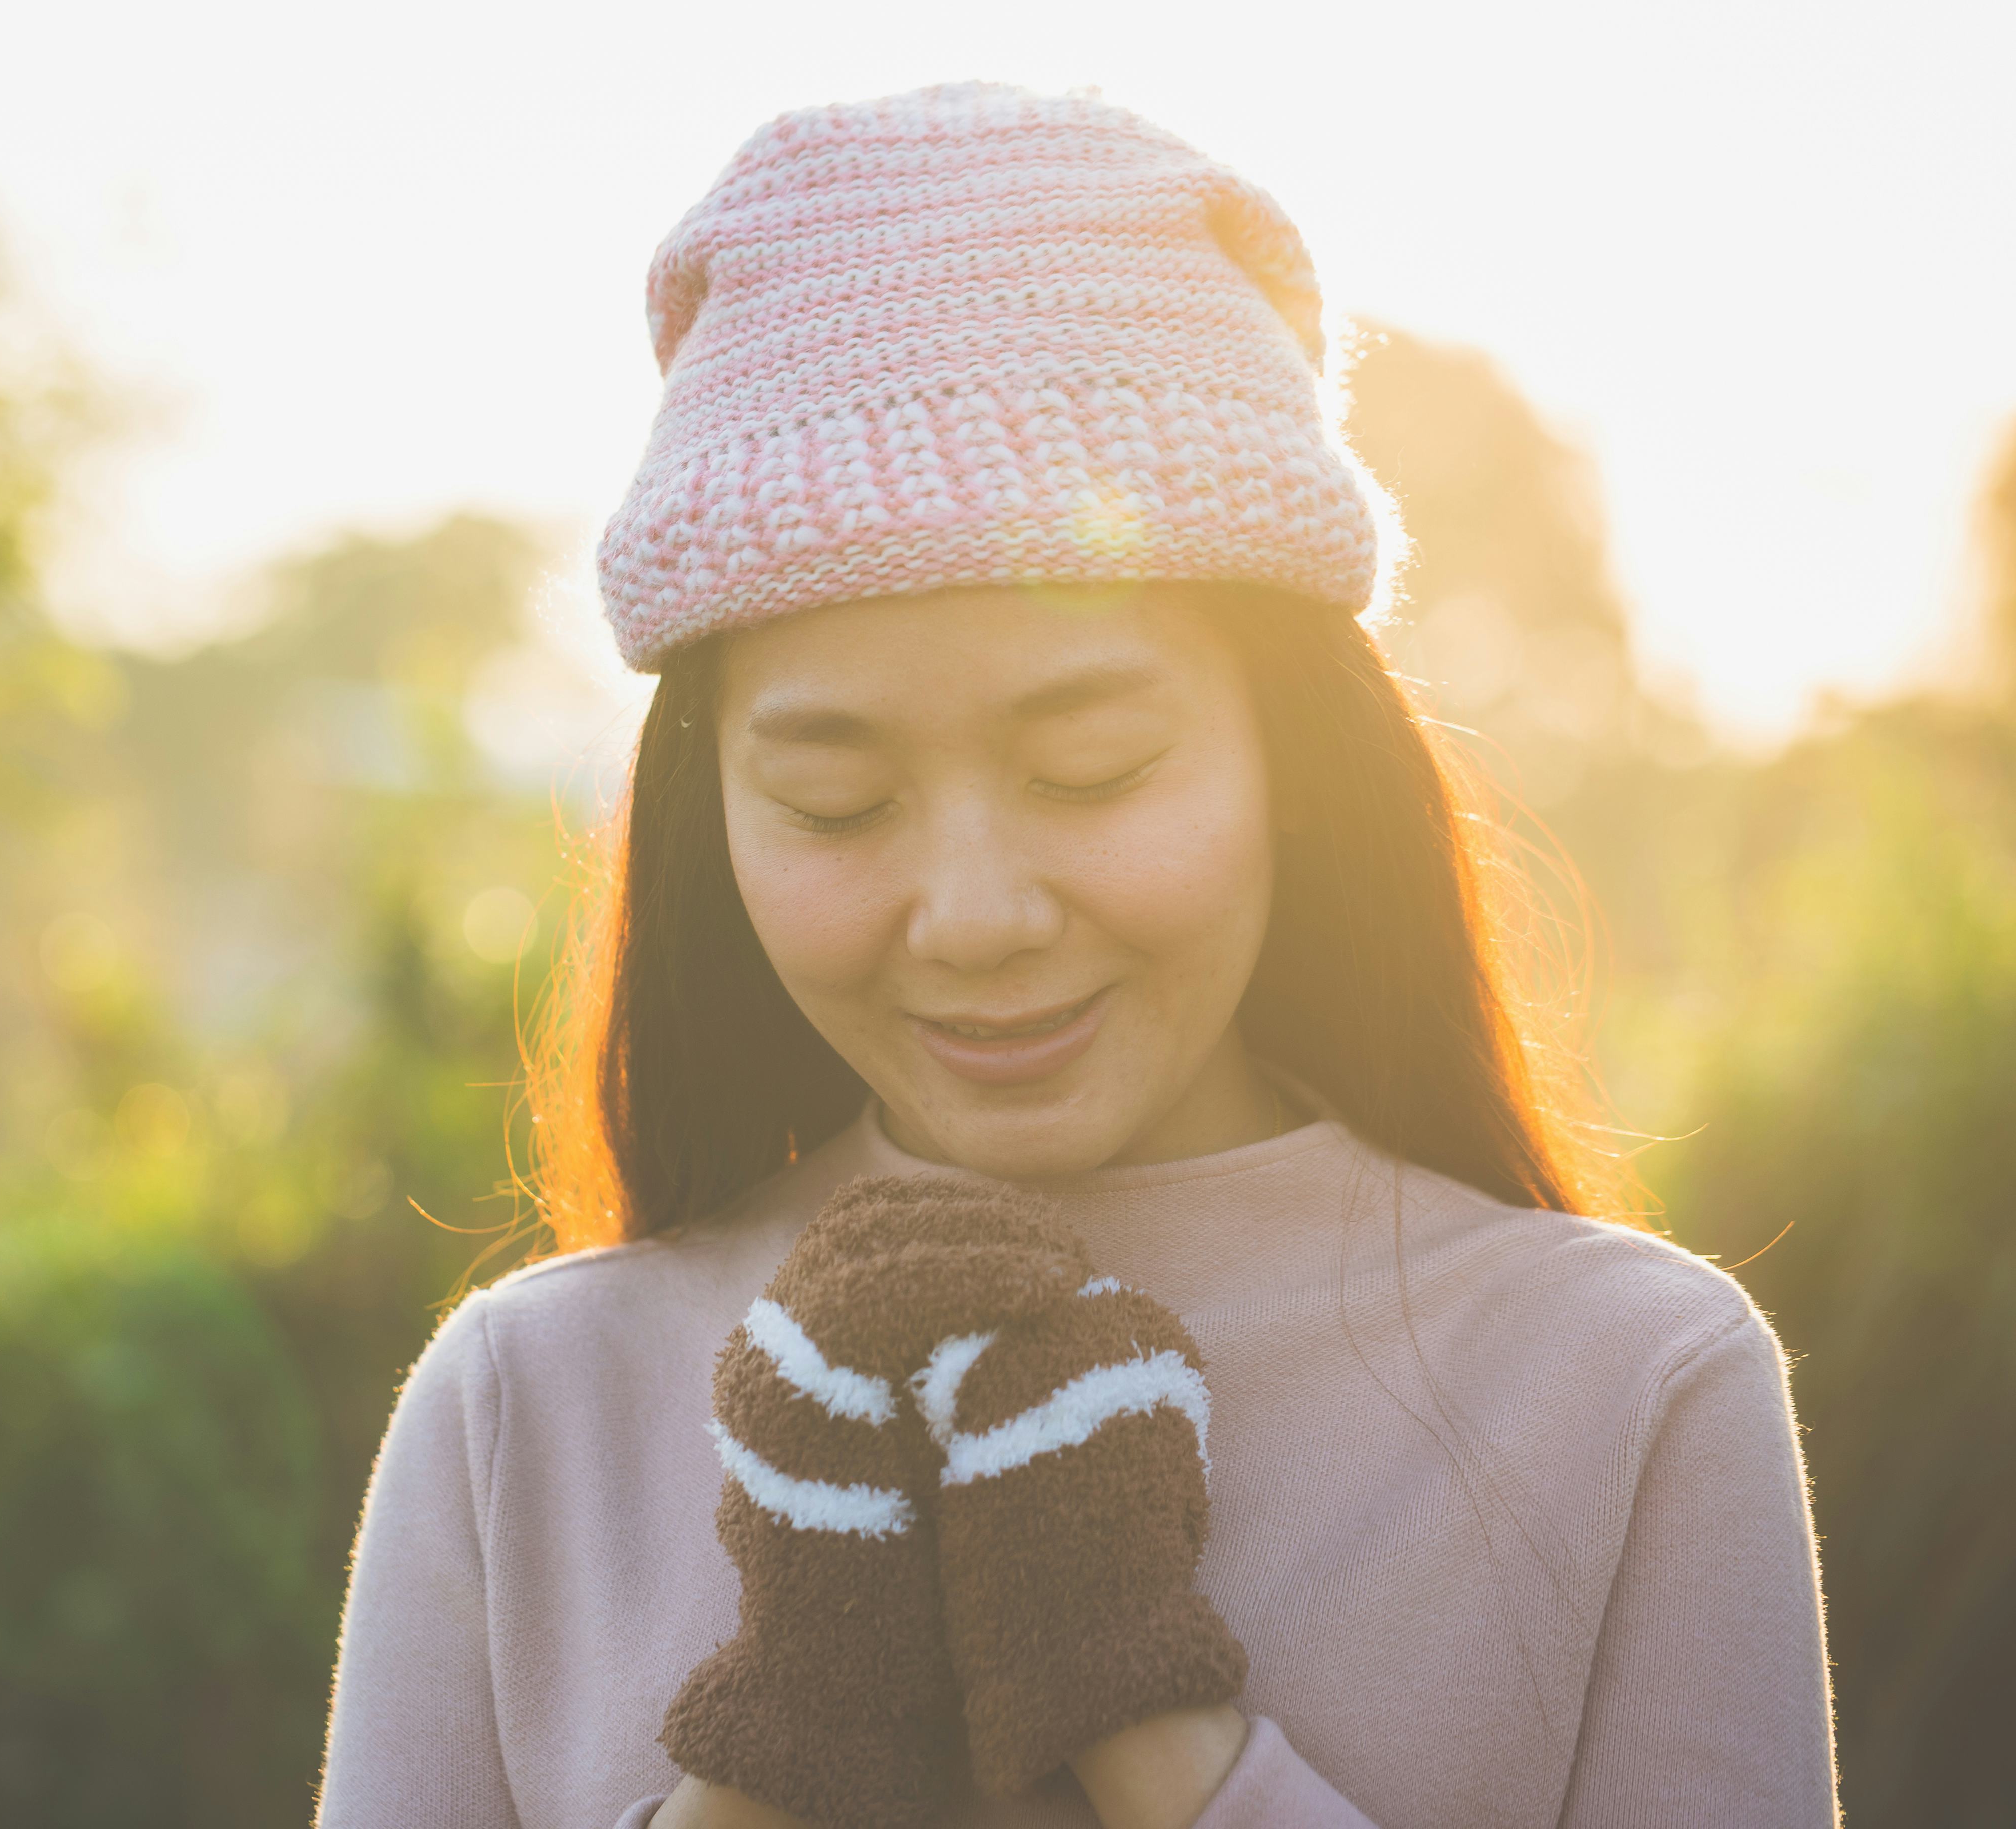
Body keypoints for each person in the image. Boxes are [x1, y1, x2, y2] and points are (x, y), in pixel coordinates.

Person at [314, 84, 1836, 1828]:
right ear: (703, 819)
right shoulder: (527, 1413)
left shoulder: (1627, 1391)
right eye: (834, 801)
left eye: (1089, 772)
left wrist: (1149, 1719)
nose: (973, 915)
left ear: (1293, 760)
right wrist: (792, 1740)